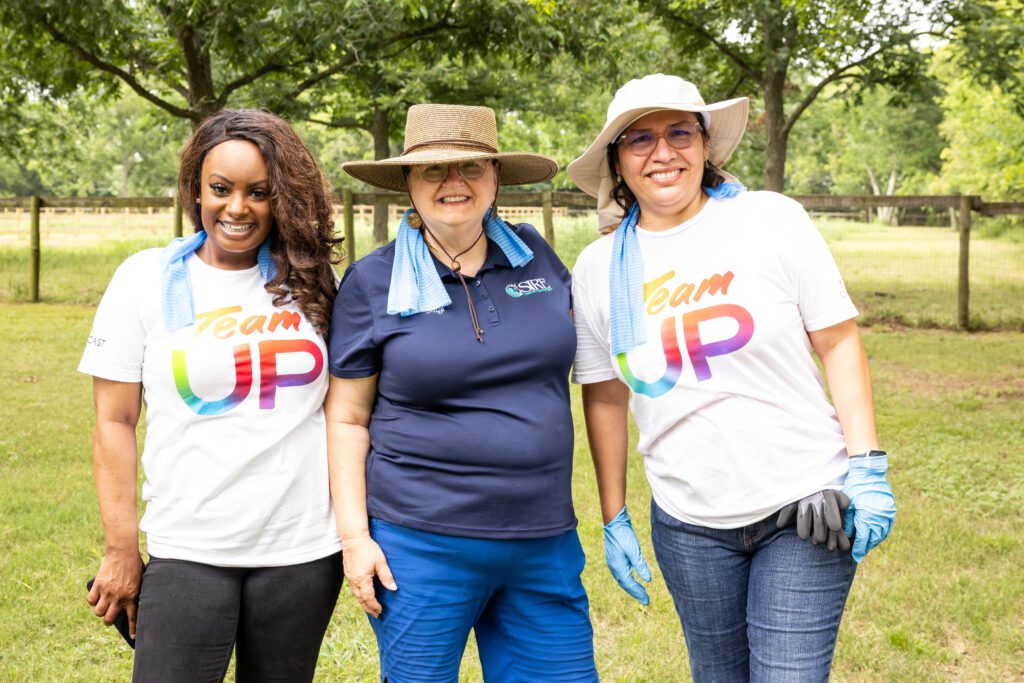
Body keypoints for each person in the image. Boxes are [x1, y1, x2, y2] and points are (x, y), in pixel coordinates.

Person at [567, 74, 897, 680]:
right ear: (617, 161)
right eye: (639, 140)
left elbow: (838, 339)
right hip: (689, 523)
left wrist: (867, 467)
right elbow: (607, 397)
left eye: (679, 133)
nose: (662, 152)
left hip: (805, 505)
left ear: (706, 146)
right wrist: (614, 516)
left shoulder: (770, 221)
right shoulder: (595, 270)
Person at [326, 103, 598, 682]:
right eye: (434, 170)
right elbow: (347, 418)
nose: (455, 183)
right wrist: (354, 537)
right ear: (407, 183)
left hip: (541, 542)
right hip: (421, 549)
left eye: (472, 168)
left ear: (495, 177)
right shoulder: (373, 281)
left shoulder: (537, 256)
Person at [80, 108, 344, 682]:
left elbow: (346, 415)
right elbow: (114, 422)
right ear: (196, 191)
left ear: (284, 198)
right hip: (188, 548)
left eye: (259, 192)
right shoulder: (144, 278)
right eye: (220, 189)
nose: (237, 207)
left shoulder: (313, 281)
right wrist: (122, 549)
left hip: (301, 551)